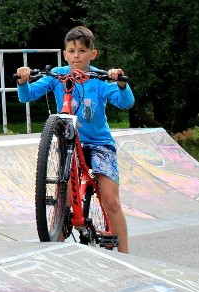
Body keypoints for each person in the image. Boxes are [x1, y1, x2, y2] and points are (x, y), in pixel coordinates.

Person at [15, 26, 134, 253]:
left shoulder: (99, 79)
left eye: (82, 50)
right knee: (64, 203)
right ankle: (53, 250)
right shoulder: (59, 76)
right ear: (65, 54)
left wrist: (121, 83)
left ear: (93, 54)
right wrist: (23, 81)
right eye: (72, 51)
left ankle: (126, 254)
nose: (77, 55)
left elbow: (125, 102)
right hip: (67, 144)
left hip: (99, 145)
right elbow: (28, 96)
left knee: (111, 201)